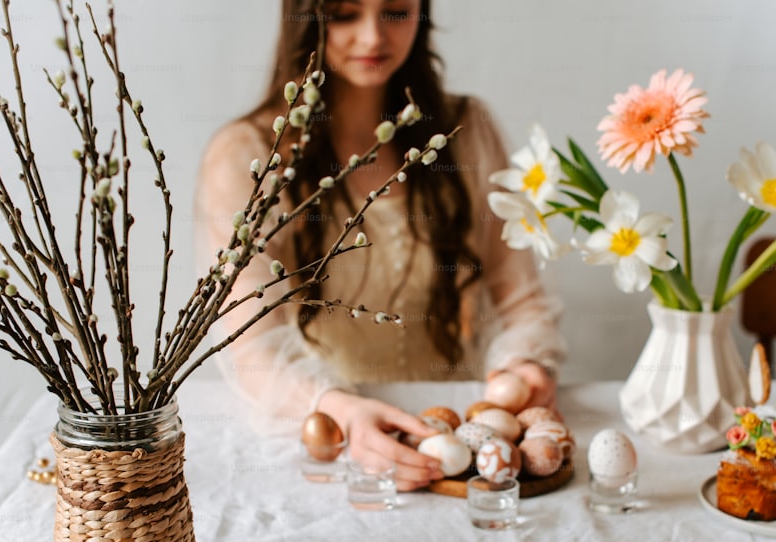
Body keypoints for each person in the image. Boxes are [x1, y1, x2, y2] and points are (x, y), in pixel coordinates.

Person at [194, 0, 565, 491]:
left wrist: (524, 364)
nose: (373, 38)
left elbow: (521, 298)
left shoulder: (466, 131)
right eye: (345, 13)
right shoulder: (249, 155)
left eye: (395, 11)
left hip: (458, 434)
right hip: (324, 443)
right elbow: (252, 345)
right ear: (306, 19)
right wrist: (342, 411)